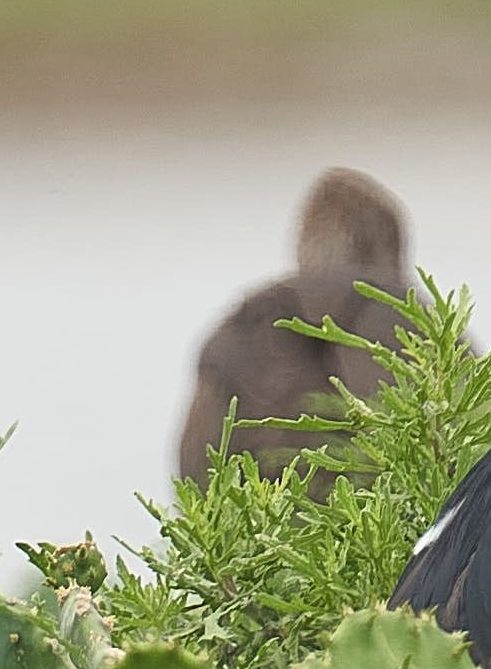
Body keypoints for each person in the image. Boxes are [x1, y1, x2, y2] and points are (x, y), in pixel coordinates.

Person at [177, 168, 414, 481]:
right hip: (380, 502)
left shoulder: (245, 327)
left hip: (249, 503)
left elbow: (195, 469)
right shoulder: (410, 322)